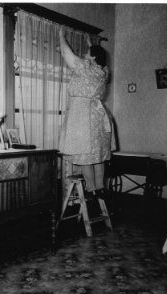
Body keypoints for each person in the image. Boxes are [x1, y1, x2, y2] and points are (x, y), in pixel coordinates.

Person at [58, 27, 115, 205]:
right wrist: (92, 45)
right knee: (98, 156)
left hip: (83, 116)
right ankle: (100, 188)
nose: (83, 54)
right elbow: (97, 58)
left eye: (87, 53)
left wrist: (61, 37)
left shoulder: (84, 68)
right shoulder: (103, 71)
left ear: (91, 58)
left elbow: (68, 55)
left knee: (84, 156)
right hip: (99, 118)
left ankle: (91, 190)